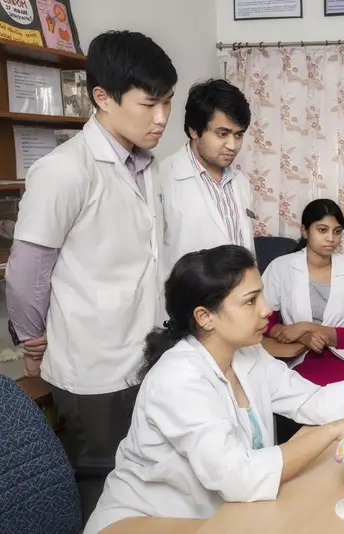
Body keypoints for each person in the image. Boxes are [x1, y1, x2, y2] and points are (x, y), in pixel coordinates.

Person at [83, 245, 344, 534]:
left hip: (224, 513)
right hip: (146, 520)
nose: (267, 310)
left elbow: (317, 402)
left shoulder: (246, 355)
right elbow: (239, 476)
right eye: (250, 300)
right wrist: (331, 431)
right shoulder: (179, 380)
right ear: (205, 317)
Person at [5, 30, 177, 522]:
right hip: (94, 369)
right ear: (102, 97)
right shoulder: (64, 171)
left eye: (167, 101)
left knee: (145, 481)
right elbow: (25, 274)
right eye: (149, 104)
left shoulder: (148, 166)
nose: (162, 117)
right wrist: (33, 342)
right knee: (103, 489)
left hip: (145, 353)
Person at [263, 199, 344, 442]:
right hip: (300, 357)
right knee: (307, 407)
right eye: (322, 230)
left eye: (337, 232)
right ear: (305, 231)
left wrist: (305, 327)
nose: (331, 239)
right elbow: (264, 323)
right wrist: (301, 337)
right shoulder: (281, 268)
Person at [160, 79, 255, 274]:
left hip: (239, 290)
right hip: (187, 292)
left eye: (238, 135)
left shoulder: (241, 183)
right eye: (222, 134)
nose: (232, 145)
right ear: (194, 130)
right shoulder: (162, 178)